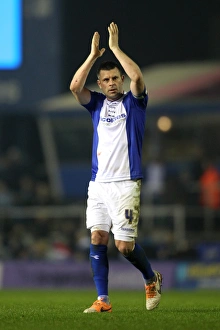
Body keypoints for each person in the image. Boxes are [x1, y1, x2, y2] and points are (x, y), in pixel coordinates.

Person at [70, 22, 162, 313]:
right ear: (100, 84)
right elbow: (74, 87)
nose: (111, 83)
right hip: (98, 184)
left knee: (124, 246)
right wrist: (93, 57)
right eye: (105, 79)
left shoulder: (134, 104)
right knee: (97, 237)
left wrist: (115, 48)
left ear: (121, 80)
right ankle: (103, 300)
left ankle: (151, 278)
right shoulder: (96, 104)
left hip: (126, 183)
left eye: (115, 78)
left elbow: (137, 75)